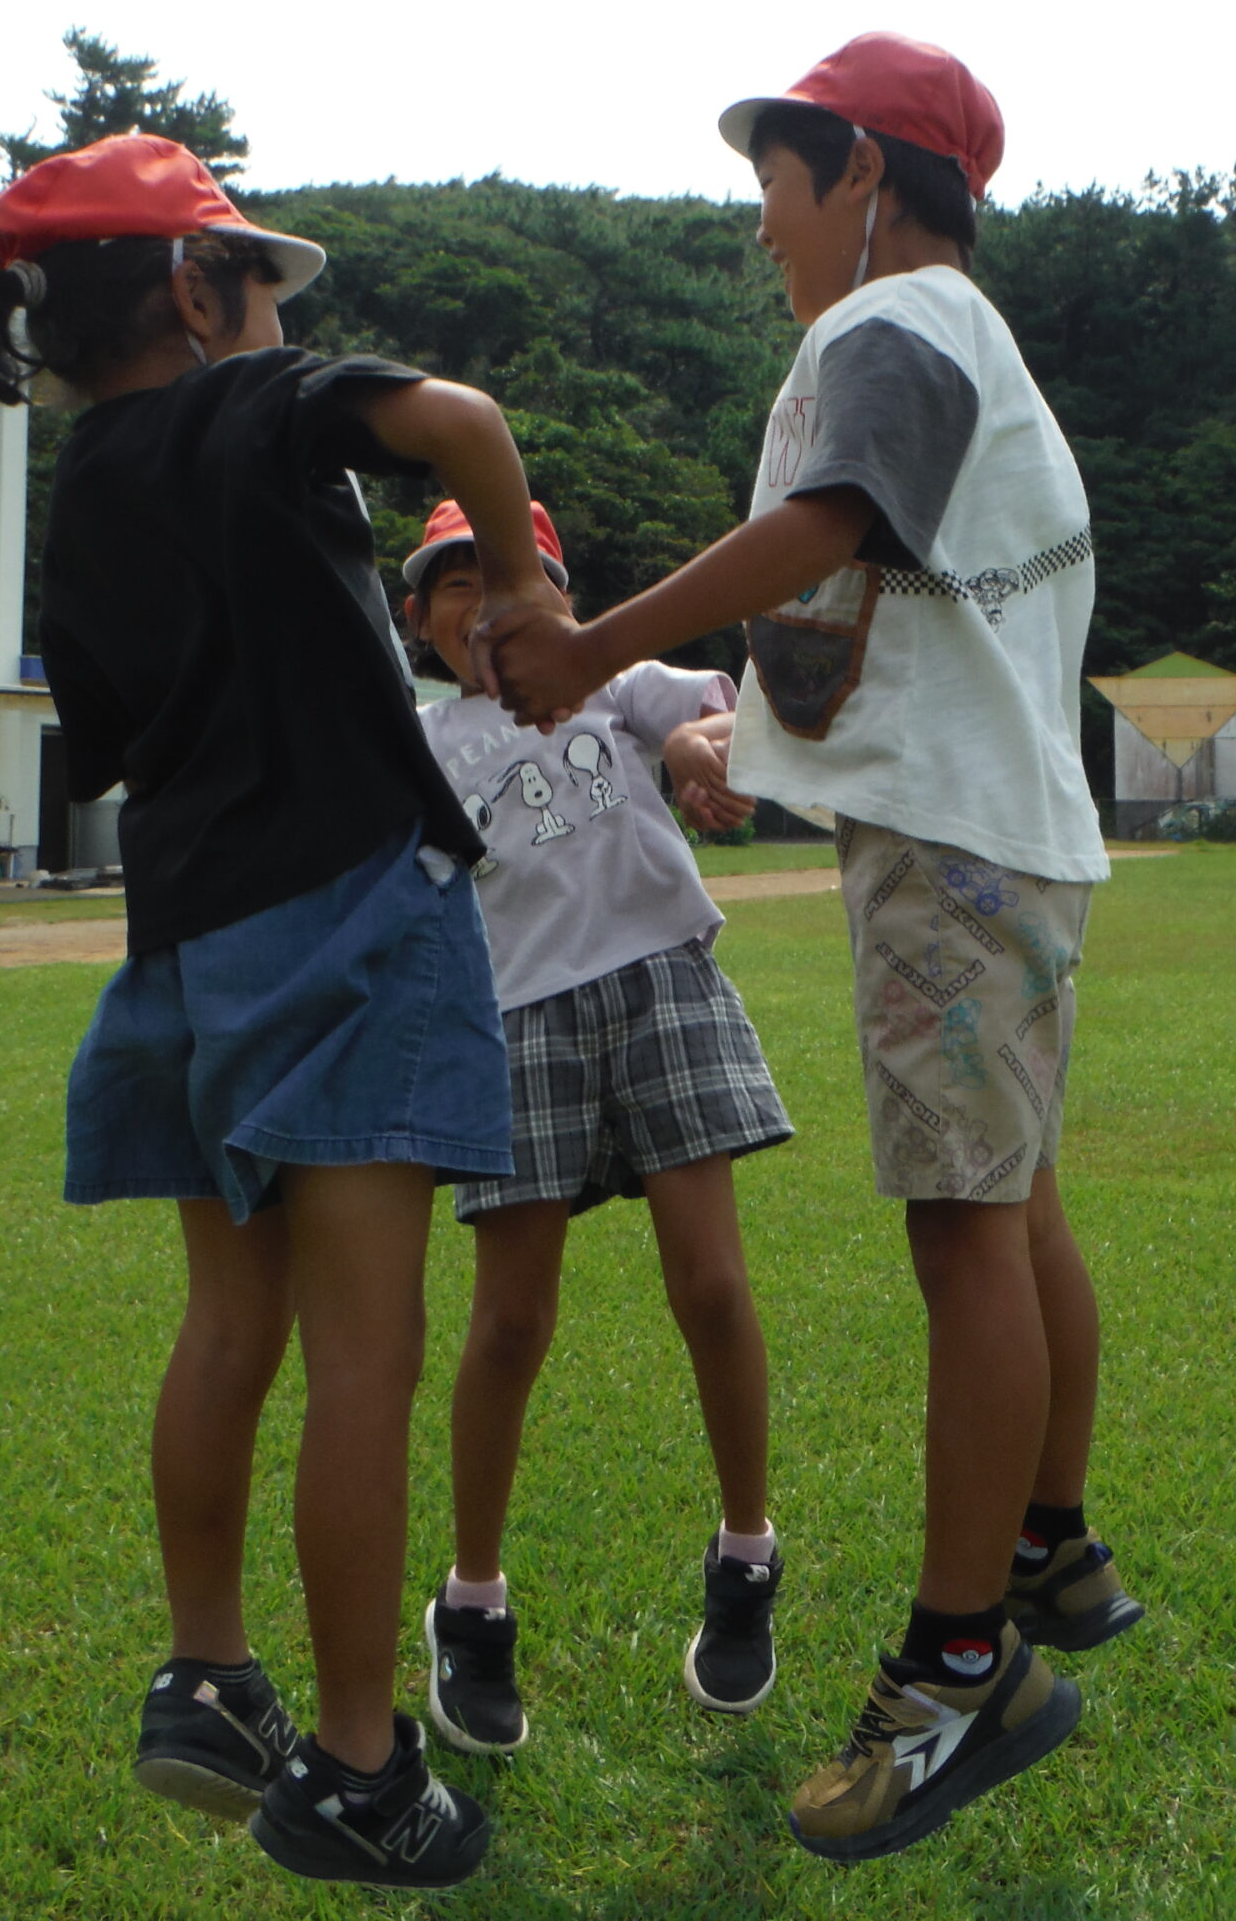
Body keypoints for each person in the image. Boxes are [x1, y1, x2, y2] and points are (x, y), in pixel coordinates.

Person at [0, 130, 569, 1895]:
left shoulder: (91, 492)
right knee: (367, 1354)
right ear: (199, 292)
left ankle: (209, 1675)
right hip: (357, 917)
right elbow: (458, 423)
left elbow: (116, 738)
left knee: (234, 1333)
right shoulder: (257, 405)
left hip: (191, 953)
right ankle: (365, 1769)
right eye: (255, 291)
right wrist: (516, 585)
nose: (269, 317)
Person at [480, 33, 1142, 1865]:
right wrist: (726, 744)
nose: (759, 223)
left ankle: (958, 1677)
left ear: (860, 172)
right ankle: (1048, 1546)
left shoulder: (889, 333)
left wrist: (592, 639)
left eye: (776, 181)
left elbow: (821, 538)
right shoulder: (956, 350)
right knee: (1013, 1208)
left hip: (955, 852)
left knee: (963, 1228)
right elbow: (876, 618)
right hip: (994, 834)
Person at [403, 496, 792, 1755]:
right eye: (451, 584)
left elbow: (707, 716)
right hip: (516, 1023)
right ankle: (472, 1605)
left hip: (662, 980)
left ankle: (745, 1558)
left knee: (715, 1286)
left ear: (563, 599)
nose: (483, 604)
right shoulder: (420, 738)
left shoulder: (614, 678)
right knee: (511, 1320)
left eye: (507, 577)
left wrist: (695, 750)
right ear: (416, 618)